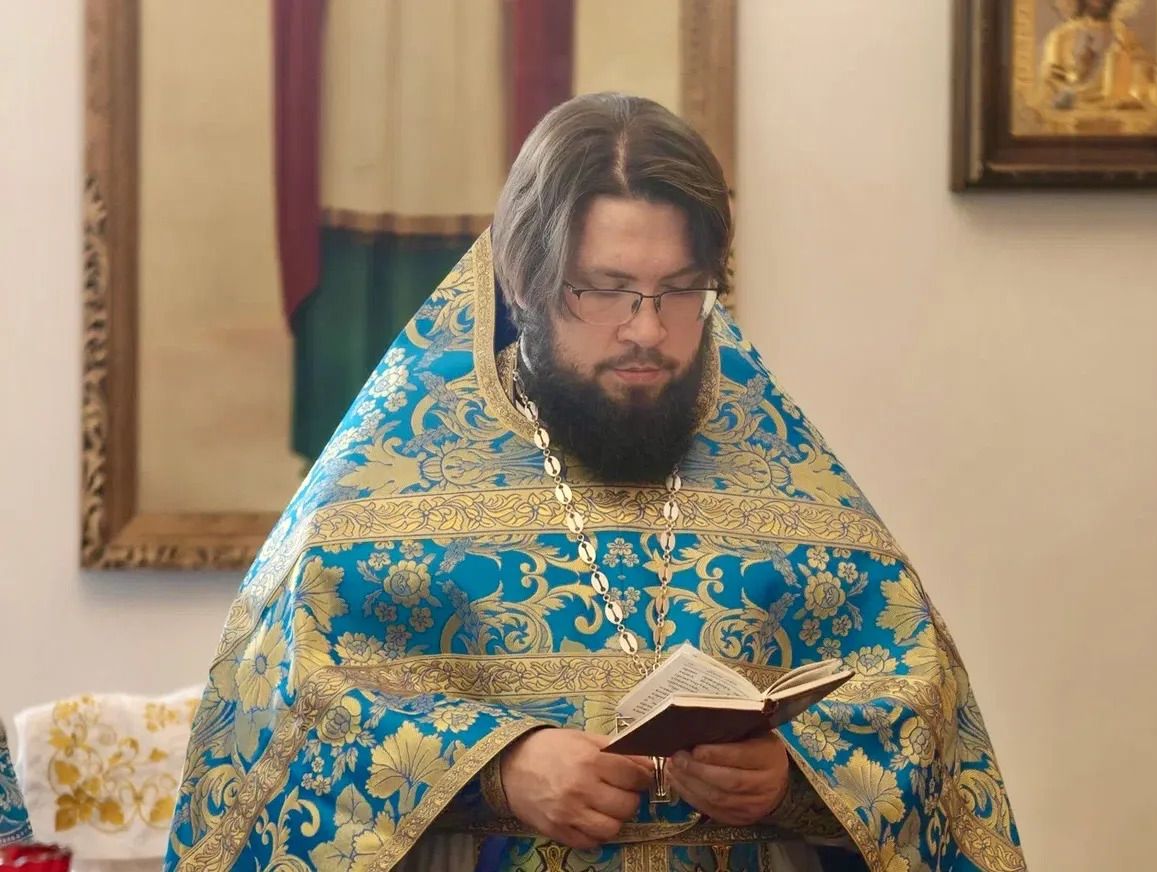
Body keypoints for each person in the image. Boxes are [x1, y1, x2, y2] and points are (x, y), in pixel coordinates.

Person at [166, 93, 1025, 872]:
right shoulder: (387, 476)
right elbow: (285, 709)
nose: (645, 330)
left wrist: (794, 776)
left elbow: (914, 707)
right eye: (605, 291)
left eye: (679, 291)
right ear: (522, 282)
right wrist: (494, 769)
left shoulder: (782, 473)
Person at [1039, 0, 1156, 111]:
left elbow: (1142, 77)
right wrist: (1078, 77)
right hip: (1073, 108)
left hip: (1114, 110)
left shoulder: (1124, 36)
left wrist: (1135, 92)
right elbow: (1050, 81)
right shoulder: (1061, 37)